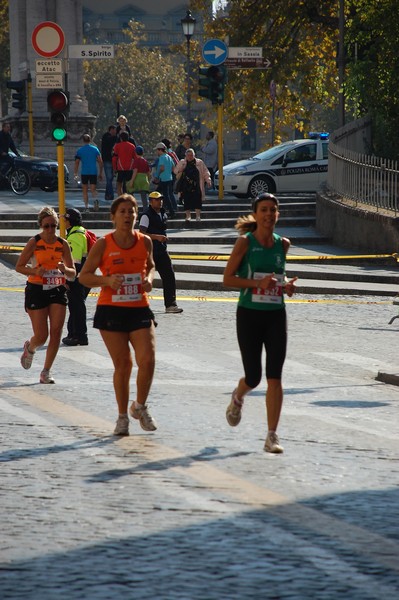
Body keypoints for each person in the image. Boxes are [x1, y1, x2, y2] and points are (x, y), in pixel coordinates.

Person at [223, 193, 298, 454]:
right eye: (264, 210)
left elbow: (277, 275)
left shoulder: (283, 244)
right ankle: (238, 396)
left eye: (273, 210)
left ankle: (271, 435)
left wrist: (285, 285)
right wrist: (257, 284)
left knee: (275, 376)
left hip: (276, 314)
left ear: (278, 214)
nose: (268, 214)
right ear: (256, 214)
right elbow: (228, 279)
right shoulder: (245, 242)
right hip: (249, 314)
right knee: (254, 376)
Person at [79, 194, 157, 436]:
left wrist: (149, 280)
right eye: (122, 211)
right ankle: (122, 417)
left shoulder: (145, 241)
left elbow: (151, 266)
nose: (127, 215)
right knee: (124, 364)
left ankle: (139, 406)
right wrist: (107, 280)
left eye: (131, 211)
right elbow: (84, 276)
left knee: (148, 359)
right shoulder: (104, 243)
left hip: (139, 307)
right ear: (113, 217)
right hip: (111, 309)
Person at [15, 206, 76, 384]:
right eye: (46, 226)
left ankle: (46, 371)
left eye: (53, 226)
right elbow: (19, 266)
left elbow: (73, 273)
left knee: (56, 332)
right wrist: (35, 271)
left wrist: (65, 269)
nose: (50, 230)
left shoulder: (62, 244)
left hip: (57, 289)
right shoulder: (34, 242)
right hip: (36, 289)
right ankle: (30, 347)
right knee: (42, 336)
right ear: (41, 226)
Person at [139, 191, 183, 314]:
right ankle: (137, 304)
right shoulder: (146, 216)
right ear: (151, 201)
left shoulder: (163, 214)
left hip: (162, 250)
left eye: (161, 199)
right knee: (142, 278)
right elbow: (141, 234)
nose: (160, 201)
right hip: (149, 251)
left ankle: (170, 305)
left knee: (169, 275)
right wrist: (156, 237)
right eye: (157, 200)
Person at [60, 208, 91, 346]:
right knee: (76, 306)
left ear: (69, 221)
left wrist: (68, 280)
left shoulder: (75, 237)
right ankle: (73, 334)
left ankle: (79, 336)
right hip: (85, 276)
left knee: (77, 307)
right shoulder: (81, 231)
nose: (63, 222)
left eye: (64, 220)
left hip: (78, 278)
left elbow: (75, 262)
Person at [174, 148, 211, 222]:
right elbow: (175, 171)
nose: (190, 157)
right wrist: (181, 169)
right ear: (186, 156)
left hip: (197, 184)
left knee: (197, 200)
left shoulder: (199, 162)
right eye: (188, 155)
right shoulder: (182, 162)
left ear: (194, 155)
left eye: (191, 155)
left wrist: (208, 180)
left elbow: (205, 172)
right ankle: (188, 216)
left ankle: (198, 216)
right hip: (185, 185)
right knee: (186, 201)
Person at [74, 134, 103, 212]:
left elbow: (77, 162)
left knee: (85, 190)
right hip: (93, 171)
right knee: (93, 188)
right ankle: (95, 199)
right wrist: (100, 172)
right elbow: (100, 161)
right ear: (90, 140)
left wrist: (75, 173)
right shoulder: (95, 149)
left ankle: (86, 207)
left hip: (84, 172)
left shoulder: (80, 150)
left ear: (83, 140)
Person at [153, 142, 177, 217]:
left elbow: (161, 168)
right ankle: (162, 209)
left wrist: (156, 176)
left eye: (157, 150)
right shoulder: (169, 157)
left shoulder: (162, 157)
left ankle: (171, 212)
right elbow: (173, 168)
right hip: (169, 178)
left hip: (164, 179)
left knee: (163, 195)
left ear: (160, 150)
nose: (156, 152)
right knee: (161, 194)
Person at [112, 131, 137, 196]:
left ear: (121, 138)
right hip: (129, 168)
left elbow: (114, 158)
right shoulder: (132, 146)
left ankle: (121, 198)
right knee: (129, 184)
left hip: (120, 168)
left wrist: (114, 168)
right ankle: (130, 197)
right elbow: (135, 158)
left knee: (119, 184)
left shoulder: (117, 146)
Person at [127, 145, 151, 210]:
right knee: (144, 196)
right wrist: (148, 180)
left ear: (135, 153)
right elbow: (148, 173)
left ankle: (133, 207)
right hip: (144, 179)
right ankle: (145, 210)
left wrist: (132, 181)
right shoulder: (145, 161)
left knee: (130, 190)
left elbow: (135, 171)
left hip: (137, 179)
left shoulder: (136, 160)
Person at [101, 125, 117, 201]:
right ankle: (111, 194)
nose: (115, 132)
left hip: (113, 160)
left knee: (110, 179)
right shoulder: (107, 137)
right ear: (110, 130)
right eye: (114, 130)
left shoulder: (112, 137)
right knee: (109, 178)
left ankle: (107, 194)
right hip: (107, 160)